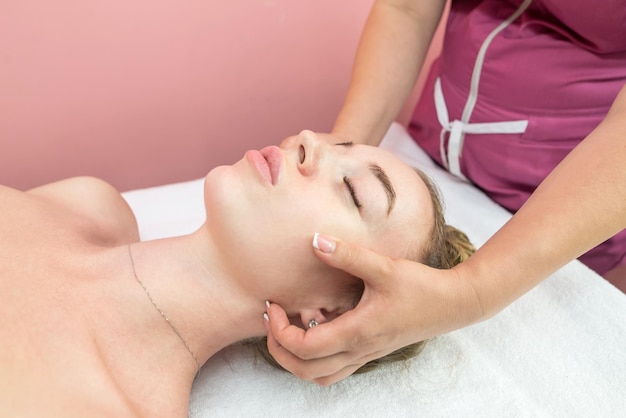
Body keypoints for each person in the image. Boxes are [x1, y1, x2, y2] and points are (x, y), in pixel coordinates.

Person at [264, 0, 626, 385]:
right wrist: (342, 148)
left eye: (355, 192)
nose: (305, 138)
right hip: (429, 151)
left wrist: (472, 293)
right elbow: (407, 9)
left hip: (564, 210)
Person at [0, 129, 473, 417]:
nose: (309, 140)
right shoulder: (90, 204)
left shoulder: (106, 409)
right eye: (338, 144)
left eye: (353, 189)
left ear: (326, 318)